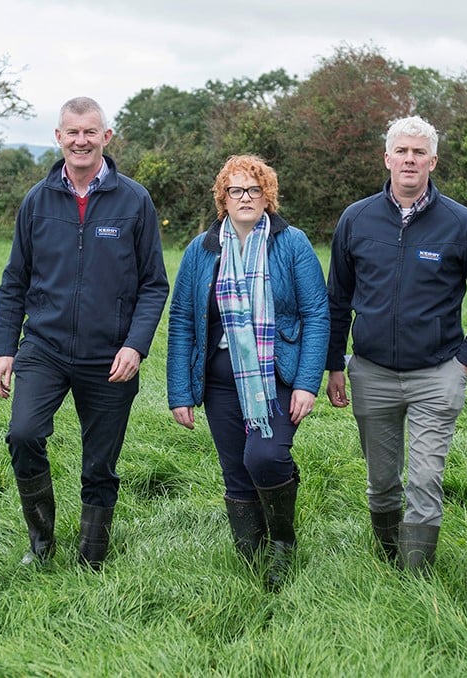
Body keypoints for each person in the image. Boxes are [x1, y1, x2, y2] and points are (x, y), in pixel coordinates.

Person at [325, 116, 467, 572]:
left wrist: (465, 362)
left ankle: (415, 579)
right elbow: (336, 301)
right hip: (371, 372)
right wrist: (333, 366)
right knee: (382, 482)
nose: (410, 160)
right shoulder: (357, 219)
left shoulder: (460, 223)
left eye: (419, 152)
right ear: (387, 158)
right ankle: (389, 562)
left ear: (433, 160)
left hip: (437, 374)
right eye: (402, 152)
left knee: (426, 479)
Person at [0, 97, 168, 570]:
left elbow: (155, 284)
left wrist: (135, 345)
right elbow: (15, 280)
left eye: (90, 132)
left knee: (99, 463)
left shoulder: (134, 200)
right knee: (23, 434)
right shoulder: (37, 200)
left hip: (110, 356)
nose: (81, 140)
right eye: (72, 132)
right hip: (45, 349)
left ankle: (93, 557)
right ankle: (42, 544)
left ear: (106, 138)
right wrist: (5, 350)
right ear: (58, 137)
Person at [167, 154, 329, 591]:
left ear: (267, 196)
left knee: (265, 456)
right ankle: (250, 552)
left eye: (253, 190)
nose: (245, 197)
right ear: (223, 197)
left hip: (275, 376)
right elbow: (182, 319)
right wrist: (180, 391)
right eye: (235, 190)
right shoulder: (201, 250)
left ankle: (282, 542)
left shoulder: (291, 243)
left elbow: (316, 312)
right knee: (235, 468)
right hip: (219, 381)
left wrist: (307, 383)